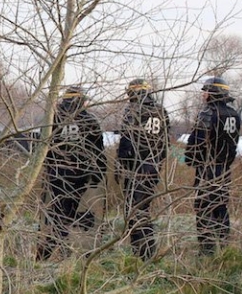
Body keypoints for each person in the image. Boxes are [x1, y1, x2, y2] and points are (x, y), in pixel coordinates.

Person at [37, 86, 107, 261]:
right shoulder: (89, 120)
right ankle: (65, 250)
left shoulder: (53, 119)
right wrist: (99, 173)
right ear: (82, 100)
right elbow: (97, 149)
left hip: (56, 175)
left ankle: (52, 251)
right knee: (71, 212)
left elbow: (42, 148)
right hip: (80, 176)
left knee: (56, 212)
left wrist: (45, 170)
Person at [186, 76, 241, 255]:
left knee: (204, 208)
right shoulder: (234, 114)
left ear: (213, 93)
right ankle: (224, 249)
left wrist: (191, 160)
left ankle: (207, 251)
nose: (204, 95)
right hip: (224, 169)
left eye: (206, 91)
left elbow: (197, 143)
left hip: (207, 169)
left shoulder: (208, 113)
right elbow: (233, 144)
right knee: (221, 207)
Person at [116, 78, 170, 260]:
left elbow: (127, 140)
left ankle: (142, 252)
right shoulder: (161, 111)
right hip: (153, 167)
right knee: (144, 208)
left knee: (134, 210)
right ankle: (147, 249)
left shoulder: (133, 110)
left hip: (136, 167)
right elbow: (166, 142)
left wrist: (121, 165)